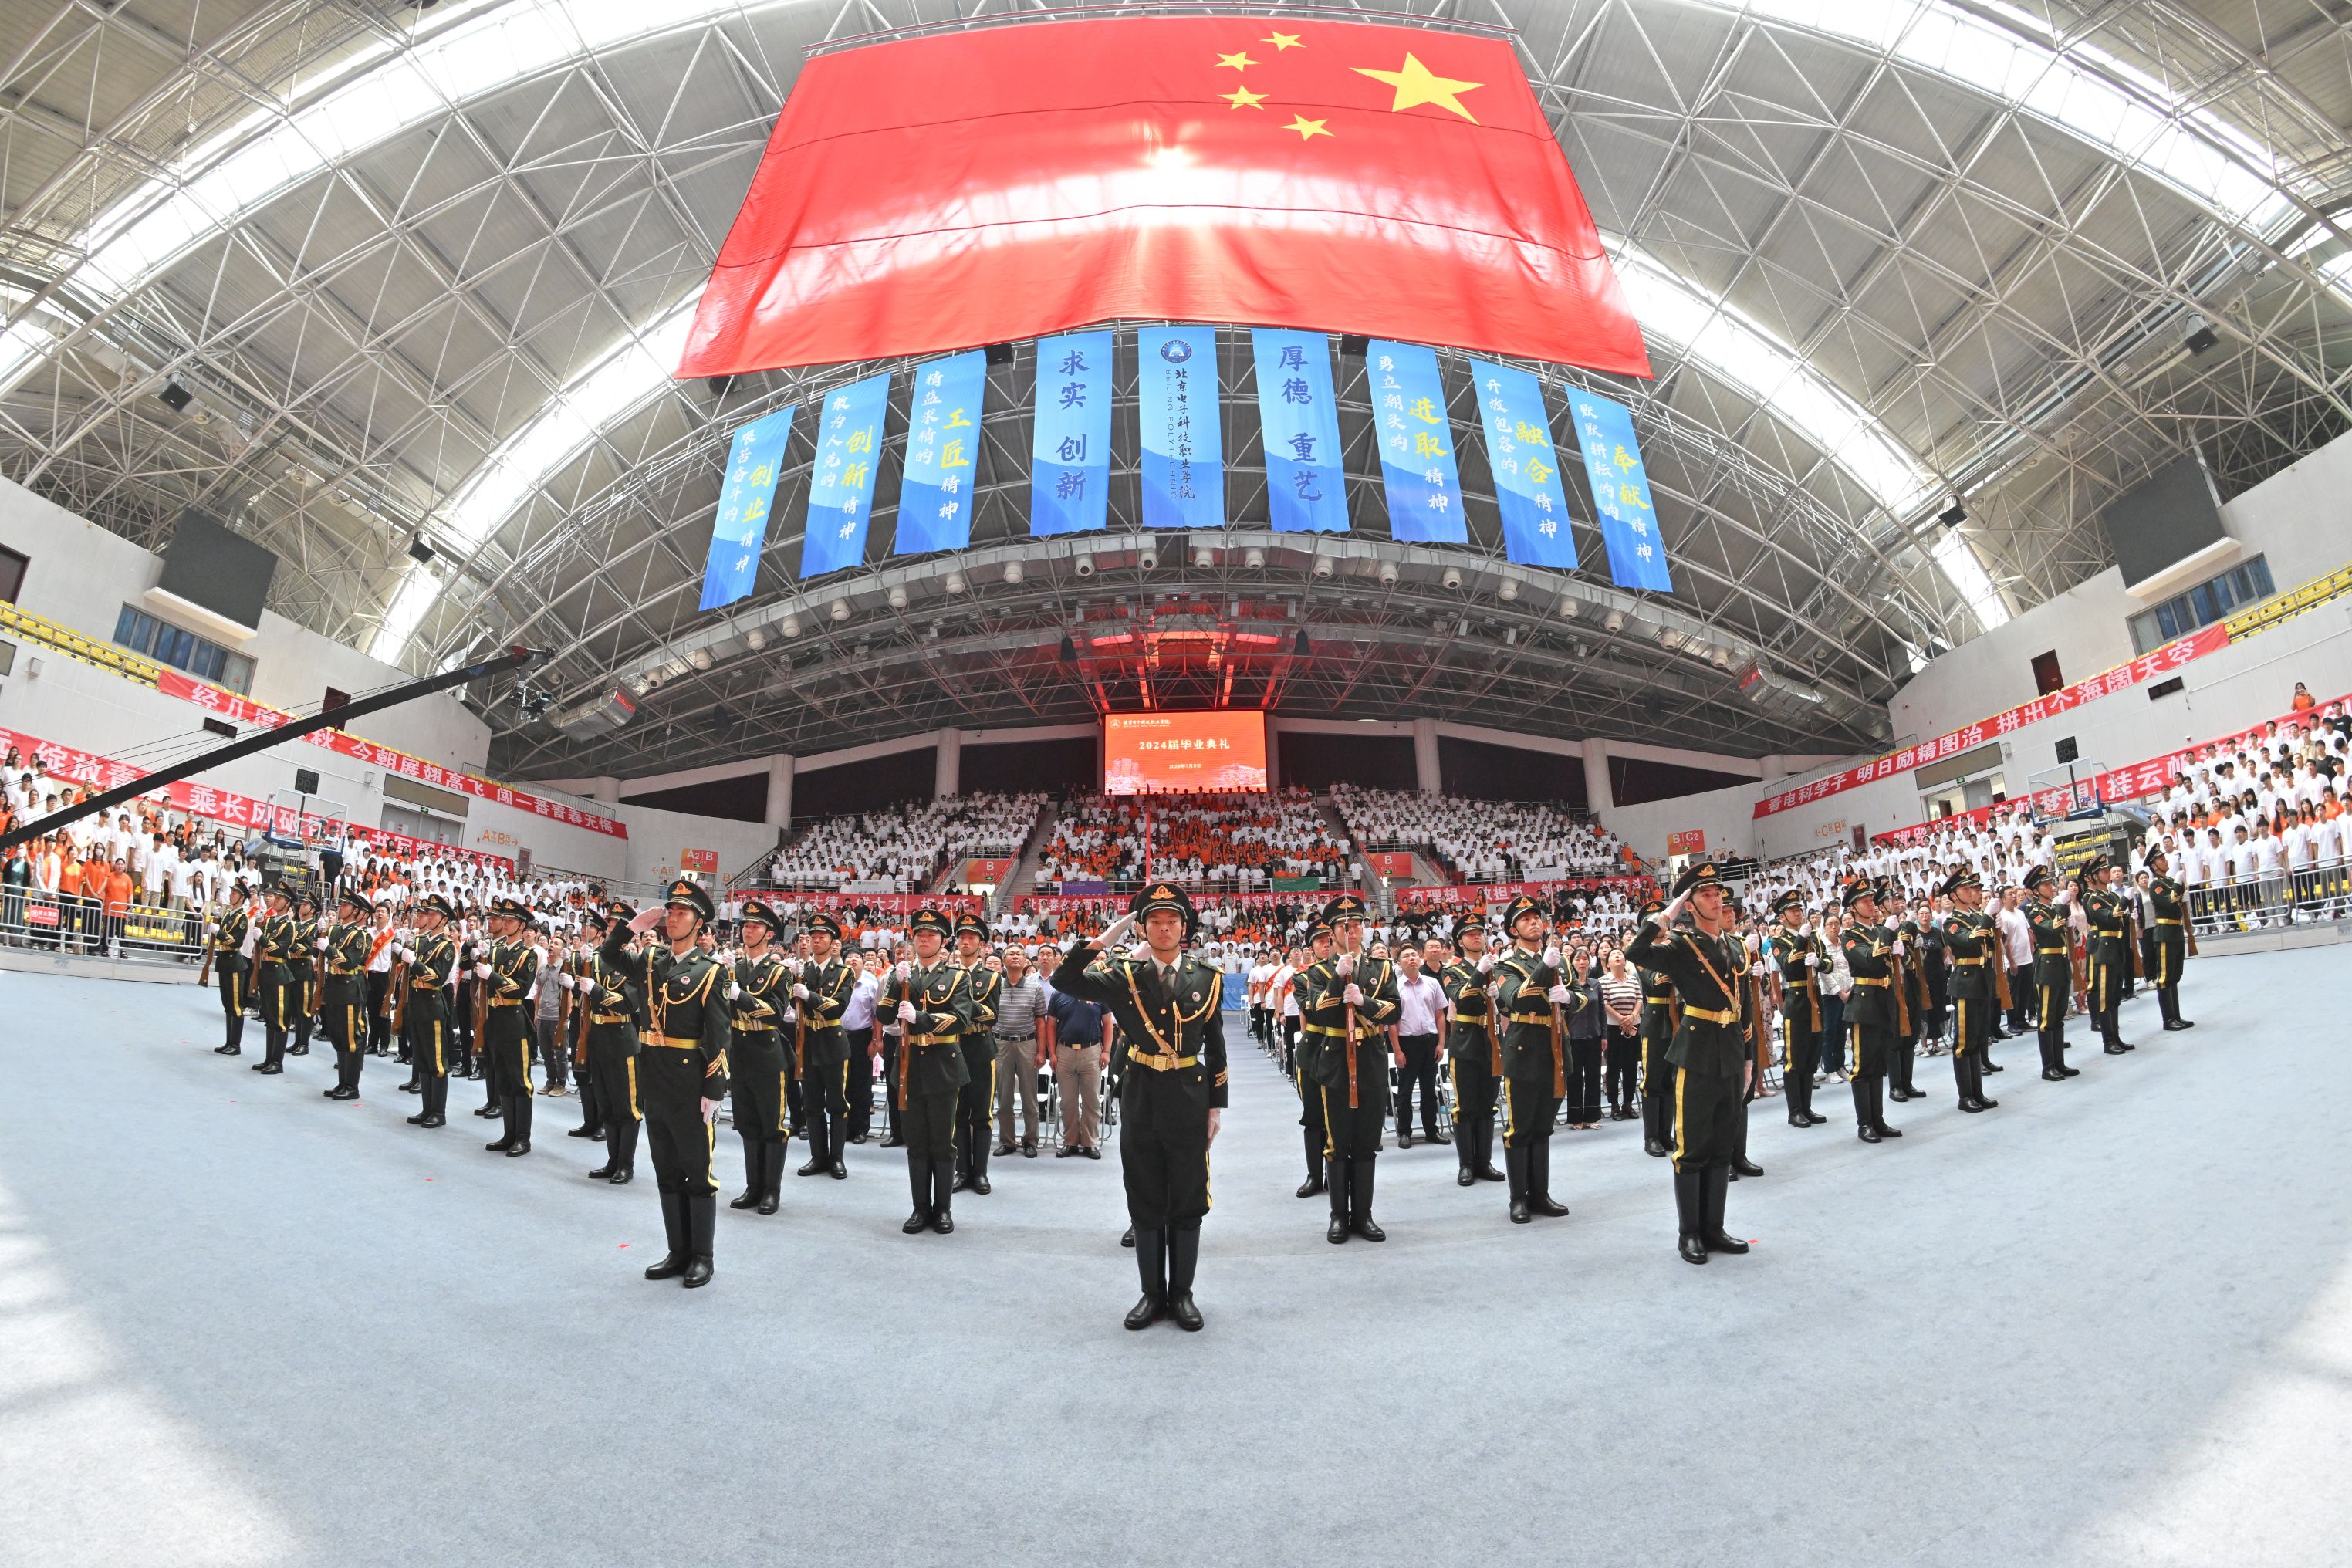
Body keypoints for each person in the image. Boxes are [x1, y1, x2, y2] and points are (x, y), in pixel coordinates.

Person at [1051, 882, 1228, 1332]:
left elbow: (1216, 1046)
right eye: (1154, 921)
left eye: (1171, 921)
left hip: (1189, 1094)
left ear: (1184, 928)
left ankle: (1182, 1294)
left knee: (1187, 1195)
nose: (1163, 928)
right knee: (1145, 1193)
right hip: (1141, 1093)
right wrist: (1106, 937)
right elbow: (1064, 980)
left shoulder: (1207, 977)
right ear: (1143, 929)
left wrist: (1216, 1107)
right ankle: (1151, 1294)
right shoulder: (1123, 976)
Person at [1625, 860, 1756, 1265]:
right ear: (1691, 903)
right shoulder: (1682, 944)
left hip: (1731, 1051)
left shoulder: (1734, 945)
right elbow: (1635, 952)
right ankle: (1690, 1233)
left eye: (1718, 894)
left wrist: (1749, 1057)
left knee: (1721, 1145)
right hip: (1697, 1053)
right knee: (1693, 1147)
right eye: (1705, 895)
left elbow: (1744, 1004)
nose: (1716, 901)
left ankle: (1714, 1228)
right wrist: (1666, 915)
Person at [624, 880, 732, 1289]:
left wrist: (714, 1090)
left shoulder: (711, 971)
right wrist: (633, 928)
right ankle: (677, 1251)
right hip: (656, 1078)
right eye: (670, 912)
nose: (672, 918)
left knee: (697, 1172)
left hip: (690, 1084)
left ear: (699, 923)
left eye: (682, 913)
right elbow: (610, 957)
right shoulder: (652, 960)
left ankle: (702, 1256)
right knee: (666, 1170)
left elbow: (719, 1036)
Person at [1296, 894, 1401, 1244]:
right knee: (1338, 1142)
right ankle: (1339, 1217)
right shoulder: (1317, 972)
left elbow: (1395, 1010)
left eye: (1357, 924)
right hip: (1335, 1059)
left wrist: (1364, 1001)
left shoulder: (1380, 968)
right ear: (1332, 933)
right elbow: (1319, 1012)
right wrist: (1337, 979)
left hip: (1371, 1058)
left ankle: (1364, 1216)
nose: (1351, 930)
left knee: (1367, 1142)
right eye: (1344, 926)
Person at [880, 907, 977, 1235]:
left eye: (931, 935)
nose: (924, 939)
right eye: (919, 935)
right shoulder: (903, 975)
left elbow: (961, 1019)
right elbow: (884, 1016)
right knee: (916, 1143)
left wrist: (920, 1018)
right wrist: (896, 985)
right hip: (908, 1065)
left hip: (942, 1065)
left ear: (943, 941)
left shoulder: (957, 976)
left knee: (942, 1142)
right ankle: (920, 1208)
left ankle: (943, 1209)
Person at [1492, 893, 1585, 1225]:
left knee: (1543, 1127)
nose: (1534, 923)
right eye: (1525, 919)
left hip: (1555, 1048)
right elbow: (1517, 1000)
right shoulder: (1506, 965)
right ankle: (1519, 1198)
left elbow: (1584, 996)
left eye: (1536, 918)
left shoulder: (1560, 961)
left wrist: (1569, 996)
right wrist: (1545, 968)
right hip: (1524, 1049)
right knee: (1521, 1128)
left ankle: (1540, 1194)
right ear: (1512, 930)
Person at [725, 898, 794, 1215]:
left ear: (769, 934)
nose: (748, 931)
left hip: (767, 1053)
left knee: (772, 1125)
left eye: (755, 926)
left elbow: (775, 1014)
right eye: (746, 926)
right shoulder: (735, 968)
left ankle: (771, 1190)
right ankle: (753, 1187)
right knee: (747, 1124)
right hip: (740, 1053)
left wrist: (740, 995)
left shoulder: (779, 971)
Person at [579, 902, 645, 1183]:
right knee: (606, 1104)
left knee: (626, 1106)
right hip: (598, 1037)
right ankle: (612, 1160)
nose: (611, 929)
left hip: (621, 1039)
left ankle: (625, 1165)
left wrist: (597, 991)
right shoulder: (595, 959)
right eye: (610, 924)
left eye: (617, 925)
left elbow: (628, 1003)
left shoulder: (632, 962)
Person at [792, 911, 859, 1178]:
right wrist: (793, 982)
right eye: (814, 936)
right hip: (807, 1041)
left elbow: (837, 1007)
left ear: (833, 942)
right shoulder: (802, 971)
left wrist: (809, 996)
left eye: (822, 936)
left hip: (832, 1041)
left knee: (837, 1102)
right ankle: (817, 1156)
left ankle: (837, 1158)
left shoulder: (844, 973)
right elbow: (792, 1005)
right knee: (811, 1102)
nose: (817, 940)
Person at [1437, 928, 1503, 1188]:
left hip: (1492, 1040)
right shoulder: (1452, 971)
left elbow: (1509, 1004)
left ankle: (1484, 1162)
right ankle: (1466, 1164)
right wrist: (1479, 973)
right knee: (1465, 1106)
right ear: (1460, 942)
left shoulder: (1496, 968)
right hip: (1466, 1042)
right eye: (1470, 934)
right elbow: (1460, 997)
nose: (1477, 937)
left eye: (1479, 933)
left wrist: (1499, 997)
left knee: (1487, 1104)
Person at [476, 897, 542, 1157]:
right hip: (495, 1020)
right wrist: (475, 951)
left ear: (522, 925)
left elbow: (520, 989)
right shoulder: (496, 951)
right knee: (502, 1078)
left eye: (511, 920)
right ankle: (508, 1134)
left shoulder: (528, 955)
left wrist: (491, 975)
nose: (505, 923)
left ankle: (522, 1139)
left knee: (520, 1081)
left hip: (514, 1021)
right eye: (504, 919)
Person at [1838, 882, 1903, 1143]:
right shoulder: (1849, 935)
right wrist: (1887, 933)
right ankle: (1864, 1124)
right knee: (1863, 1067)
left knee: (1878, 1066)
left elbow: (1889, 963)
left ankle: (1878, 1120)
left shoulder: (1877, 930)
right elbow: (1869, 959)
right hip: (1864, 1006)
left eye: (1871, 900)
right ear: (1853, 908)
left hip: (1884, 1000)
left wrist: (1899, 948)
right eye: (1864, 901)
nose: (1871, 904)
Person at [1764, 890, 1828, 1130]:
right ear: (1782, 917)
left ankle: (1807, 1107)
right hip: (1797, 999)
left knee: (1812, 1055)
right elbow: (1789, 966)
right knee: (1796, 1058)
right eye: (1792, 910)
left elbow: (1829, 962)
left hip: (1816, 996)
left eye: (1799, 909)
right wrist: (1801, 939)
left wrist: (1819, 962)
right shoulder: (1779, 941)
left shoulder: (1814, 937)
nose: (1798, 913)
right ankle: (1795, 1111)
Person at [1937, 870, 1999, 1113]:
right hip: (1966, 982)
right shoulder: (1951, 922)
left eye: (1971, 888)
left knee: (1978, 1039)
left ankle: (1978, 1093)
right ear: (1953, 895)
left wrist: (1994, 925)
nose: (1971, 891)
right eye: (1965, 889)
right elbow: (1971, 941)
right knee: (1964, 1043)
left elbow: (1987, 944)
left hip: (1981, 980)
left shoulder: (1975, 917)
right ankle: (1966, 1096)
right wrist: (1987, 918)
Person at [397, 894, 460, 1129]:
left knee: (437, 1061)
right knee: (422, 1058)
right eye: (428, 913)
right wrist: (404, 947)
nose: (428, 917)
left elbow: (436, 978)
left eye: (433, 914)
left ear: (444, 919)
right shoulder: (423, 942)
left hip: (433, 1006)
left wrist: (414, 962)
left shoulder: (446, 947)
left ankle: (438, 1112)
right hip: (417, 1004)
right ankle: (426, 1108)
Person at [951, 914, 1003, 1195]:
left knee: (982, 1113)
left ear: (982, 945)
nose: (966, 942)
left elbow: (991, 1016)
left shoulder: (992, 978)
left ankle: (980, 1172)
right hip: (953, 1048)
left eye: (972, 938)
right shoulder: (946, 974)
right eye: (962, 937)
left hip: (981, 1047)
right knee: (958, 1112)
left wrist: (961, 998)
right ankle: (962, 1170)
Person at [991, 945, 1049, 1158]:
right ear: (1003, 960)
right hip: (1001, 1046)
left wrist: (1041, 1051)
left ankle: (1030, 1141)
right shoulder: (995, 986)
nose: (1015, 957)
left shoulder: (1035, 988)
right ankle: (1007, 1141)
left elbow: (1041, 1022)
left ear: (1025, 961)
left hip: (1027, 1044)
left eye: (1019, 954)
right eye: (1011, 954)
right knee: (1004, 1098)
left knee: (1029, 1097)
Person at [2023, 867, 2080, 1082]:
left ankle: (2059, 1063)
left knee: (2058, 1016)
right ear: (2036, 890)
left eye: (2050, 883)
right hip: (2047, 966)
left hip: (2060, 963)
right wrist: (2061, 908)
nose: (2051, 887)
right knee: (2046, 1019)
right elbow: (2052, 928)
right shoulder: (2034, 910)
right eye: (2046, 885)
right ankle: (2048, 1066)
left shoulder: (2053, 908)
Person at [1045, 970, 1108, 1158]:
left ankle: (1090, 1143)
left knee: (1092, 1101)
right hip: (1064, 1051)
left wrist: (1106, 1051)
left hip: (1092, 1051)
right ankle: (1070, 1142)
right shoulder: (1058, 995)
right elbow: (1051, 1026)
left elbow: (1107, 1024)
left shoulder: (1098, 993)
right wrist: (1052, 1054)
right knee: (1067, 1102)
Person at [318, 890, 373, 1101]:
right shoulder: (337, 931)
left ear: (356, 911)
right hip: (335, 986)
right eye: (340, 904)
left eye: (345, 905)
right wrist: (320, 934)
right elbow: (319, 951)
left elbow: (349, 962)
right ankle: (342, 1082)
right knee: (339, 1035)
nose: (341, 908)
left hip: (350, 988)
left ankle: (352, 1086)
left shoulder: (360, 935)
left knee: (352, 1037)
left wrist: (329, 949)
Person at [1390, 944, 1447, 1148]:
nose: (1411, 958)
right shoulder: (1395, 988)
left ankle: (1431, 1130)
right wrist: (1397, 1050)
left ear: (1421, 959)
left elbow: (1440, 1015)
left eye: (1414, 955)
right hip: (1407, 1042)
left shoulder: (1432, 983)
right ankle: (1405, 1132)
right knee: (1405, 1091)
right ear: (1399, 964)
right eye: (1406, 956)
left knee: (1429, 1089)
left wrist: (1441, 1043)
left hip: (1430, 1041)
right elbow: (1392, 1024)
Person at [1634, 898, 1678, 1158]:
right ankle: (1651, 1137)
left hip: (1678, 1020)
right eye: (1655, 921)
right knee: (1652, 1082)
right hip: (1656, 1021)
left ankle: (1665, 1133)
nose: (1662, 923)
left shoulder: (1675, 946)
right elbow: (1655, 980)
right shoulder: (1644, 953)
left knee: (1670, 1081)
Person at [2080, 853, 2134, 1055]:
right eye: (2103, 871)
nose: (2107, 873)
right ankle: (2108, 1041)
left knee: (2114, 996)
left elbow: (2120, 920)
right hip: (2104, 949)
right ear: (2094, 877)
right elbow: (2110, 918)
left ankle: (2116, 1037)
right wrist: (2124, 901)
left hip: (2116, 946)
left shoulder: (2111, 896)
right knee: (2104, 997)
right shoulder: (2093, 899)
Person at [2145, 844, 2195, 1032]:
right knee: (2165, 978)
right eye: (2161, 859)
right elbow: (2169, 901)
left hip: (2175, 930)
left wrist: (2182, 895)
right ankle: (2168, 1020)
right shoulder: (2156, 885)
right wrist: (2177, 886)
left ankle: (2176, 1016)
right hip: (2164, 932)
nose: (2165, 861)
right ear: (2154, 866)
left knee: (2174, 976)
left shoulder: (2169, 881)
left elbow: (2177, 901)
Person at [250, 885, 298, 1076]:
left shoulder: (289, 926)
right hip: (266, 972)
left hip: (279, 974)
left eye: (279, 898)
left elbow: (278, 949)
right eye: (275, 897)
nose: (275, 900)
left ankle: (277, 1062)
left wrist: (262, 938)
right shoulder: (270, 921)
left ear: (287, 903)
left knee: (279, 1020)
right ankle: (269, 1058)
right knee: (269, 1018)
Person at [209, 883, 254, 1056]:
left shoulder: (242, 918)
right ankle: (229, 1042)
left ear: (242, 898)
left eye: (235, 893)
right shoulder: (228, 914)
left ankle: (236, 1044)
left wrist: (219, 932)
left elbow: (236, 942)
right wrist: (217, 920)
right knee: (227, 1005)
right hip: (224, 962)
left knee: (236, 1006)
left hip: (235, 963)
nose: (231, 894)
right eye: (232, 892)